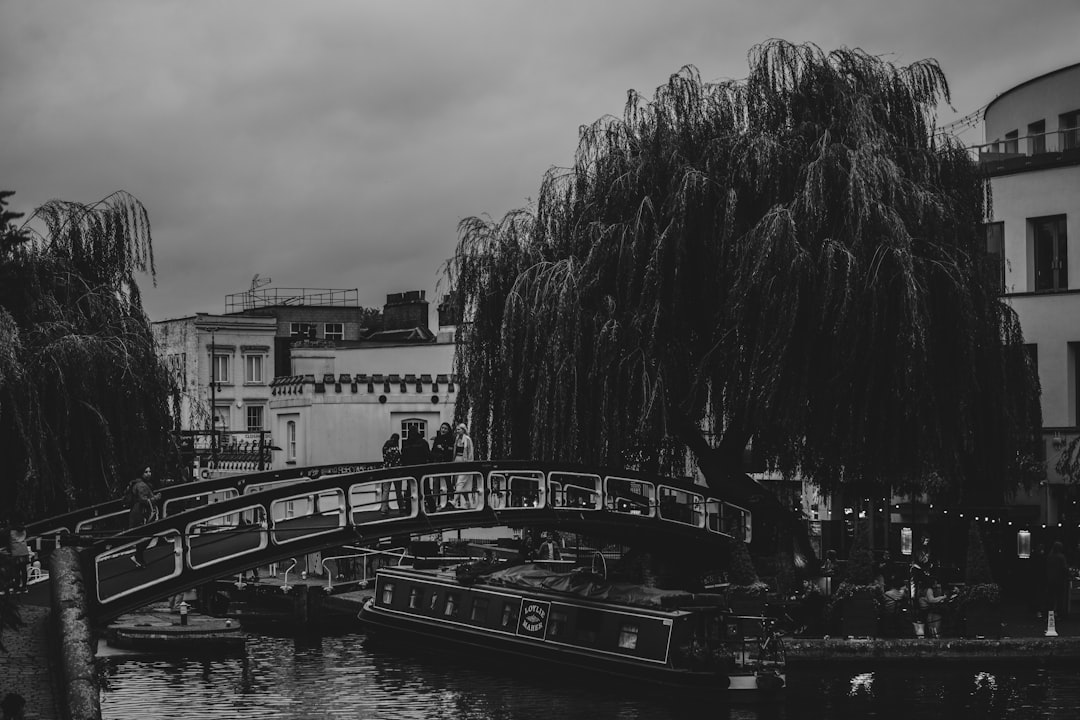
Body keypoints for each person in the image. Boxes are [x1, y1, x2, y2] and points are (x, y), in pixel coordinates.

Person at [125, 467, 160, 567]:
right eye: (146, 472)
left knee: (144, 534)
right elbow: (144, 500)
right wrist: (156, 498)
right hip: (141, 512)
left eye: (150, 471)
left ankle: (139, 558)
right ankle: (138, 556)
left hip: (138, 511)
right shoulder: (141, 485)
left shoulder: (137, 483)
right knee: (147, 533)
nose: (149, 474)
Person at [400, 430, 431, 512]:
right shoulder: (423, 443)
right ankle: (431, 507)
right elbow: (428, 454)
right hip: (422, 469)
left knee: (410, 489)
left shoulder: (406, 444)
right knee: (426, 489)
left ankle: (409, 509)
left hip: (410, 470)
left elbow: (403, 457)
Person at [430, 422, 456, 509]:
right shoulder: (437, 438)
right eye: (442, 428)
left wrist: (443, 448)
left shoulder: (451, 439)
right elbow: (433, 451)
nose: (443, 430)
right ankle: (434, 502)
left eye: (445, 429)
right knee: (435, 482)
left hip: (446, 462)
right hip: (437, 462)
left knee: (447, 481)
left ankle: (451, 500)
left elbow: (451, 451)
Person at [451, 423, 475, 509]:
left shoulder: (467, 439)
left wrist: (469, 463)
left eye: (459, 429)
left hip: (464, 461)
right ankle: (467, 502)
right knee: (462, 485)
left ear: (463, 430)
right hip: (457, 460)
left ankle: (454, 501)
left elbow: (470, 452)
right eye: (457, 429)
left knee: (460, 482)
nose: (457, 431)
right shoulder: (457, 439)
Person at [1047, 540, 1069, 623]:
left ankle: (1050, 614)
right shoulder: (1061, 557)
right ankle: (1060, 615)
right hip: (1059, 580)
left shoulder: (1050, 556)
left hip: (1050, 579)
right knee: (1060, 598)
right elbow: (1064, 568)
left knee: (1051, 598)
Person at [379, 433, 402, 515]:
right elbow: (398, 460)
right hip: (396, 472)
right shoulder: (395, 449)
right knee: (398, 490)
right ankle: (401, 507)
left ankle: (383, 508)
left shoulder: (385, 447)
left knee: (386, 490)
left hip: (386, 470)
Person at [7, 524, 31, 594]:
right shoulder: (24, 531)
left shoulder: (10, 531)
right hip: (24, 551)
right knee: (24, 570)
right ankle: (24, 586)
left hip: (16, 552)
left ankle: (17, 587)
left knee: (16, 571)